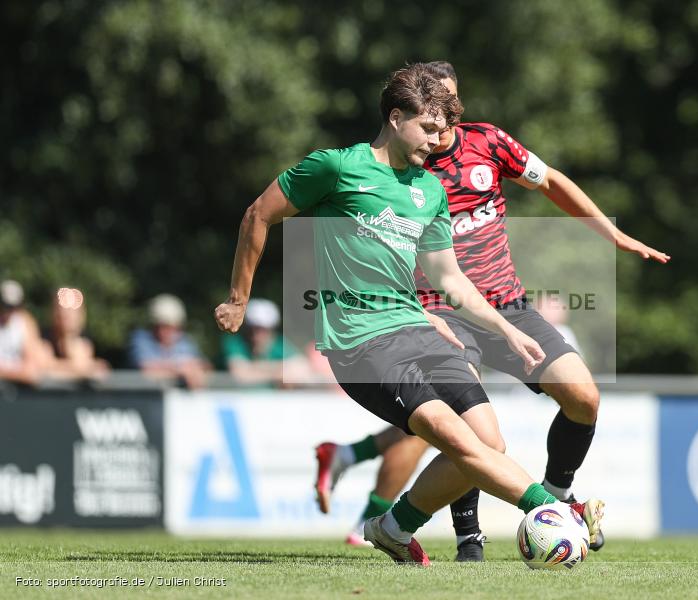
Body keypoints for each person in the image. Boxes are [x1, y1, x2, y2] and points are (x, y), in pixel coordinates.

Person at [213, 63, 604, 565]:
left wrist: (507, 327)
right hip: (359, 340)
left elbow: (450, 279)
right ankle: (556, 512)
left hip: (415, 328)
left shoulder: (429, 190)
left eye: (444, 130)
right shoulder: (337, 167)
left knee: (489, 441)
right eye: (428, 127)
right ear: (396, 118)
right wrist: (239, 298)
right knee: (454, 437)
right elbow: (258, 214)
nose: (438, 139)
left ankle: (393, 527)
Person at [313, 61, 669, 560]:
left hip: (507, 307)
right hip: (438, 312)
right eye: (434, 108)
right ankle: (468, 542)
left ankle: (559, 498)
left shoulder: (489, 143)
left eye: (451, 106)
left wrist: (611, 233)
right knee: (472, 430)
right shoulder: (401, 165)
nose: (445, 118)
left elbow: (550, 182)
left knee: (583, 397)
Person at [222, 298, 310, 387]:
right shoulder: (235, 342)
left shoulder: (279, 344)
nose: (256, 333)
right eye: (253, 327)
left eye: (262, 329)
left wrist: (254, 369)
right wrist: (278, 373)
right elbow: (239, 374)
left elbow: (302, 367)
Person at [130, 293, 210, 389]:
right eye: (160, 326)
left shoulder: (184, 341)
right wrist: (180, 370)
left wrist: (194, 369)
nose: (164, 332)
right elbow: (147, 369)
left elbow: (205, 366)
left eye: (170, 327)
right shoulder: (141, 339)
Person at [39, 287, 109, 381]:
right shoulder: (44, 340)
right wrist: (85, 369)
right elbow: (42, 370)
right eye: (62, 309)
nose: (65, 314)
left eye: (71, 310)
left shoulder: (83, 342)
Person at [0, 279, 42, 385]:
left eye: (13, 306)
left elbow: (31, 371)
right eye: (5, 305)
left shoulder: (25, 323)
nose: (8, 311)